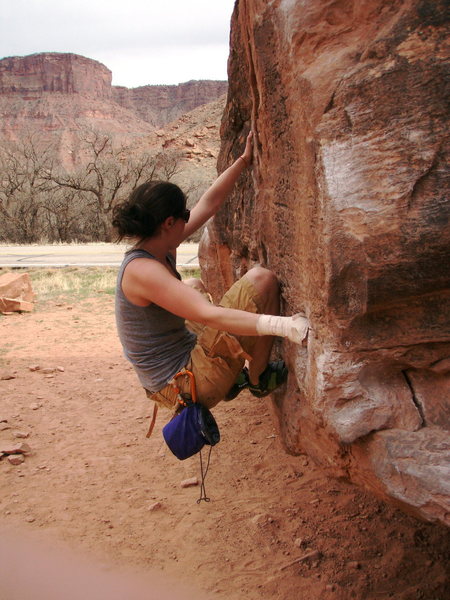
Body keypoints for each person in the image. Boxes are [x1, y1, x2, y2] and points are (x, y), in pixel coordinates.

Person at [112, 132, 308, 415]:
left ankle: (229, 374)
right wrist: (286, 326)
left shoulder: (157, 245)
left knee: (191, 284)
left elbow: (209, 204)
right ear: (169, 222)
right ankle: (257, 377)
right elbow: (209, 315)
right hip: (184, 385)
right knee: (262, 279)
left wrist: (243, 161)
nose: (189, 218)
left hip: (175, 369)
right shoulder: (143, 271)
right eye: (184, 216)